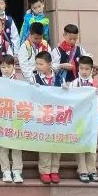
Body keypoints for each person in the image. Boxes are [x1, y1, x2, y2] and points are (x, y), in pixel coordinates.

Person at [68, 54, 98, 183]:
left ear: (91, 70)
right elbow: (68, 100)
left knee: (91, 143)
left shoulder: (96, 84)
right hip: (79, 119)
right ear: (78, 69)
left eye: (87, 69)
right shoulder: (74, 84)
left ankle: (92, 169)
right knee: (80, 142)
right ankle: (82, 169)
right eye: (81, 68)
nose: (84, 71)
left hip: (92, 119)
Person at [32, 50, 63, 184]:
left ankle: (54, 170)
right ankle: (44, 170)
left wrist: (66, 89)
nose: (38, 66)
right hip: (42, 115)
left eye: (41, 64)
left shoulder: (59, 78)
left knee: (56, 143)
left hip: (57, 115)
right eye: (37, 64)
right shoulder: (34, 78)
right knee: (45, 143)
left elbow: (64, 95)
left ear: (49, 64)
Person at [0, 55, 24, 183]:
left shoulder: (20, 81)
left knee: (16, 145)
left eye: (9, 66)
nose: (6, 69)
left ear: (14, 67)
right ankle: (5, 171)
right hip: (2, 117)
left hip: (16, 118)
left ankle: (17, 171)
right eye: (3, 67)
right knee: (3, 145)